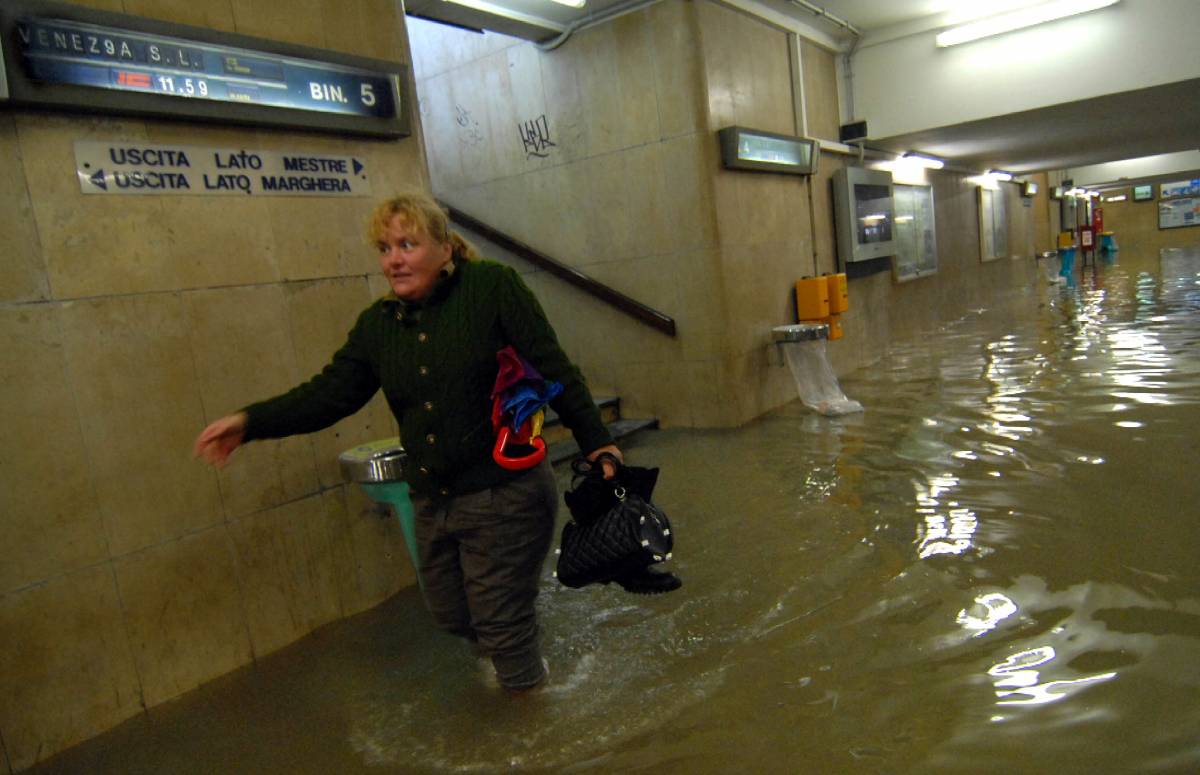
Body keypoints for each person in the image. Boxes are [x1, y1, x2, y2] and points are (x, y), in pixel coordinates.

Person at [194, 192, 621, 692]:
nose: (393, 259)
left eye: (407, 244)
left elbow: (554, 367)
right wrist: (251, 422)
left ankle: (529, 722)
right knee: (450, 613)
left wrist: (598, 444)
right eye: (384, 247)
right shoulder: (379, 325)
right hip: (432, 499)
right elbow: (330, 394)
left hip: (504, 492)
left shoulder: (491, 288)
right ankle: (518, 663)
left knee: (501, 623)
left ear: (444, 249)